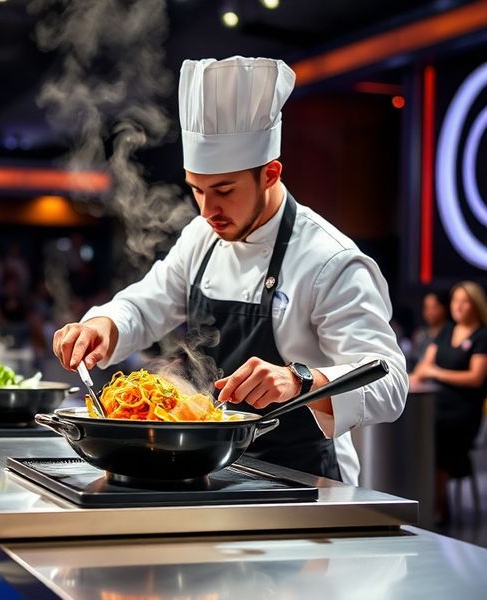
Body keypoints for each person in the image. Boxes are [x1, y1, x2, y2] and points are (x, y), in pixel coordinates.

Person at [53, 56, 408, 484]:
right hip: (212, 470)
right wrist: (103, 326)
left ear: (270, 174)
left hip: (302, 480)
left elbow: (390, 383)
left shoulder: (330, 260)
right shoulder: (202, 236)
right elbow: (147, 304)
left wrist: (300, 380)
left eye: (223, 190)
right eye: (197, 190)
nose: (208, 210)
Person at [410, 281, 487, 522]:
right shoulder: (446, 331)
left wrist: (436, 373)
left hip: (464, 410)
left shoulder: (482, 336)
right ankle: (420, 499)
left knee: (438, 433)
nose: (458, 307)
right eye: (455, 301)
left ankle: (435, 506)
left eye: (465, 302)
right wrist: (415, 376)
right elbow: (424, 365)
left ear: (476, 305)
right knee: (416, 426)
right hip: (438, 404)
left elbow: (475, 378)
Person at [408, 290, 449, 371]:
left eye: (434, 307)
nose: (429, 312)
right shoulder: (420, 333)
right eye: (426, 308)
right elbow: (413, 358)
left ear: (444, 308)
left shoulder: (451, 333)